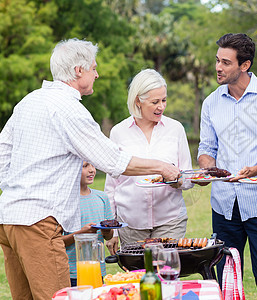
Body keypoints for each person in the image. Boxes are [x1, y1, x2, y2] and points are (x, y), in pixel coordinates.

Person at [0, 38, 179, 300]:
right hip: (38, 221)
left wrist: (18, 190)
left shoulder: (30, 101)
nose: (98, 74)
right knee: (58, 297)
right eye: (94, 68)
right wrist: (161, 166)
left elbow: (2, 155)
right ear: (78, 71)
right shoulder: (69, 108)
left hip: (9, 218)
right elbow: (112, 161)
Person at [197, 33, 257, 300]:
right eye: (217, 61)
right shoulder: (211, 103)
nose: (218, 67)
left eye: (226, 62)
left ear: (245, 65)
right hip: (224, 203)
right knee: (223, 277)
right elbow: (206, 149)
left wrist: (256, 169)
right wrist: (208, 169)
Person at [104, 69, 194, 254]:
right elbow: (111, 186)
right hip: (130, 223)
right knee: (138, 277)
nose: (161, 106)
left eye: (164, 100)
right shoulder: (118, 132)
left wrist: (178, 181)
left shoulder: (175, 129)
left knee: (167, 273)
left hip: (170, 220)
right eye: (155, 102)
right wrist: (112, 230)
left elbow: (188, 177)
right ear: (138, 100)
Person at [62, 161, 114, 287]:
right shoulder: (64, 201)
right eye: (85, 166)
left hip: (97, 270)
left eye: (93, 165)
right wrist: (82, 234)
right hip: (72, 273)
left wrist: (107, 231)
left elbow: (109, 236)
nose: (92, 170)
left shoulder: (102, 197)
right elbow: (57, 242)